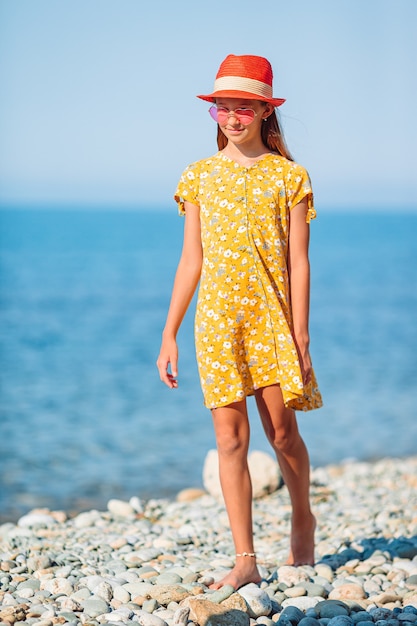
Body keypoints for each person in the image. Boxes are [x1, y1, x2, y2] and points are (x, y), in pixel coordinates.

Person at [157, 54, 323, 590]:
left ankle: (302, 514)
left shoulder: (290, 177)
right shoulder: (199, 177)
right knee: (230, 441)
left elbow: (299, 261)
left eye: (243, 107)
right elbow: (191, 261)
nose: (232, 117)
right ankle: (245, 557)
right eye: (223, 108)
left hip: (274, 323)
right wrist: (169, 333)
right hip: (217, 322)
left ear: (263, 112)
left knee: (282, 432)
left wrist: (300, 332)